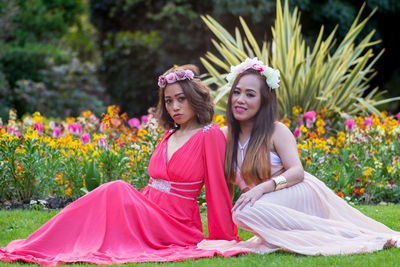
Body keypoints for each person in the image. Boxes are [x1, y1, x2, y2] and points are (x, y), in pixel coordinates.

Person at [0, 64, 242, 265]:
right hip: (148, 209)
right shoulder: (170, 135)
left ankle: (44, 242)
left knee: (115, 188)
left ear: (194, 98)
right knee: (109, 199)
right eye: (168, 101)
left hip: (175, 224)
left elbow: (217, 187)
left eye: (181, 99)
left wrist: (222, 236)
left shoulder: (209, 134)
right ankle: (42, 242)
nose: (174, 107)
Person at [199, 57, 399, 255]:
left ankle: (350, 236)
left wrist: (260, 189)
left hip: (295, 190)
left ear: (264, 101)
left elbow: (297, 172)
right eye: (236, 92)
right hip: (264, 203)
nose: (240, 100)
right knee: (242, 213)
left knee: (244, 212)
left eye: (250, 94)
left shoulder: (275, 131)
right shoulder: (224, 135)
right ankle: (276, 239)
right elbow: (223, 185)